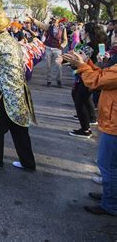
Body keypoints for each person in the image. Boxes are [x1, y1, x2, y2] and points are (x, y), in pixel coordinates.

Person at [0, 9, 36, 170]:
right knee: (19, 128)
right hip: (19, 89)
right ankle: (28, 162)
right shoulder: (13, 41)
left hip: (4, 90)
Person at [63, 51, 117, 216]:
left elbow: (95, 81)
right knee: (110, 166)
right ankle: (110, 197)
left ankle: (110, 204)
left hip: (113, 124)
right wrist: (87, 63)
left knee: (108, 166)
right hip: (111, 121)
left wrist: (81, 65)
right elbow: (103, 74)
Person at [68, 22, 107, 138]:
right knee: (84, 97)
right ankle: (92, 117)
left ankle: (85, 129)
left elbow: (78, 63)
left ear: (88, 33)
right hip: (96, 75)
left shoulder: (87, 47)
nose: (81, 32)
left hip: (87, 76)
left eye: (83, 30)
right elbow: (103, 60)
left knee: (79, 101)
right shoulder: (101, 45)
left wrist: (70, 61)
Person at [28, 14, 67, 87]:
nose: (53, 21)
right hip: (48, 48)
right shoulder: (49, 27)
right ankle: (49, 80)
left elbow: (65, 40)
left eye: (55, 20)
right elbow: (40, 25)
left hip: (57, 49)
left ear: (58, 21)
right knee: (48, 66)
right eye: (52, 20)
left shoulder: (63, 29)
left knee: (58, 65)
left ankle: (59, 80)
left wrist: (62, 46)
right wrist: (32, 19)